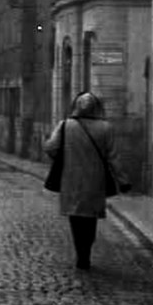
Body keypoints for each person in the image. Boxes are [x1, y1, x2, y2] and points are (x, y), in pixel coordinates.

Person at [43, 91, 126, 270]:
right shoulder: (106, 127)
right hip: (95, 181)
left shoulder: (65, 125)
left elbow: (51, 147)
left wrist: (62, 156)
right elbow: (113, 157)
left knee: (75, 217)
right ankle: (86, 249)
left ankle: (81, 253)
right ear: (97, 107)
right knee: (90, 218)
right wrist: (122, 180)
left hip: (71, 178)